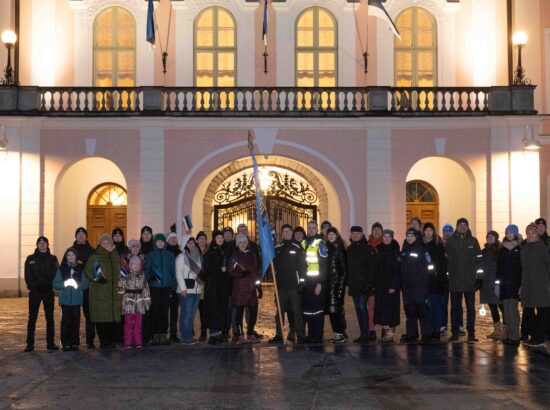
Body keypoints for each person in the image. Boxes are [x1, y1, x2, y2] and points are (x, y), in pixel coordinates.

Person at [446, 218, 483, 343]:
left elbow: (479, 260)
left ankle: (471, 333)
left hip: (469, 281)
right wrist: (447, 277)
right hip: (455, 281)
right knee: (455, 308)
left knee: (471, 308)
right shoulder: (450, 241)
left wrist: (479, 277)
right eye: (460, 225)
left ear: (467, 227)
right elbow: (446, 261)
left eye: (464, 225)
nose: (462, 227)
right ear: (456, 227)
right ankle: (455, 332)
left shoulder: (473, 241)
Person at [269, 224, 307, 344]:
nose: (286, 233)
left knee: (296, 311)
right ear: (282, 233)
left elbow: (302, 267)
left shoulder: (297, 248)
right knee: (279, 312)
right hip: (281, 285)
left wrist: (302, 281)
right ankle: (279, 335)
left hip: (294, 286)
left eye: (288, 231)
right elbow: (272, 262)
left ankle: (300, 335)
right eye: (284, 231)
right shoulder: (278, 248)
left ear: (291, 233)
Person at [84, 235, 122, 349]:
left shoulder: (115, 256)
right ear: (100, 244)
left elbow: (121, 270)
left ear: (112, 244)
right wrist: (98, 279)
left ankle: (110, 341)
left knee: (111, 318)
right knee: (102, 319)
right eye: (104, 242)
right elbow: (88, 271)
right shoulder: (95, 257)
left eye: (108, 242)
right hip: (100, 293)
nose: (106, 244)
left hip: (113, 293)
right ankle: (104, 341)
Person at [24, 236, 59, 353]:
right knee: (32, 318)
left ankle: (50, 343)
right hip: (35, 292)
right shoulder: (30, 258)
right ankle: (30, 344)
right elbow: (28, 275)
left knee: (50, 319)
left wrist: (48, 286)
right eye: (40, 242)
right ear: (37, 245)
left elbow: (55, 274)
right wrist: (34, 286)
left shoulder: (53, 259)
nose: (42, 244)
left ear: (48, 245)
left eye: (45, 242)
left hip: (48, 292)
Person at [53, 248, 89, 351]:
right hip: (65, 300)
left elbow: (85, 284)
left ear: (76, 256)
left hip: (77, 301)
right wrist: (65, 284)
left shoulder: (81, 268)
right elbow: (55, 283)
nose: (71, 257)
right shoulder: (62, 269)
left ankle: (74, 342)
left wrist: (76, 285)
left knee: (75, 322)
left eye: (72, 255)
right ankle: (65, 342)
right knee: (65, 322)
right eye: (68, 255)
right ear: (66, 257)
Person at [521, 223, 550, 348]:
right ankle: (534, 336)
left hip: (541, 285)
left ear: (537, 234)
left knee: (543, 311)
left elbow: (548, 265)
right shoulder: (524, 249)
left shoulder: (543, 248)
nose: (530, 236)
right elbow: (523, 268)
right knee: (529, 311)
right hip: (528, 285)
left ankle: (539, 338)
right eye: (528, 233)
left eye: (533, 233)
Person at [400, 229, 431, 344]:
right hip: (407, 286)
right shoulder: (404, 250)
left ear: (416, 237)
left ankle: (426, 335)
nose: (409, 238)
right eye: (407, 235)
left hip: (419, 285)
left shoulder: (422, 249)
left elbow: (429, 266)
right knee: (410, 311)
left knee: (422, 310)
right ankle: (411, 334)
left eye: (411, 236)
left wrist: (423, 279)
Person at [229, 234, 261, 344]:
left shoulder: (252, 255)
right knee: (239, 313)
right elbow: (231, 271)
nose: (242, 244)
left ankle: (250, 334)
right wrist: (241, 274)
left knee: (253, 312)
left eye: (244, 242)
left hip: (251, 289)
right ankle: (240, 335)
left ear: (247, 243)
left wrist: (258, 286)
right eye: (240, 242)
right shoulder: (235, 256)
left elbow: (256, 271)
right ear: (238, 244)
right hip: (239, 289)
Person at [347, 226, 377, 344]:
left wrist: (369, 284)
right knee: (359, 310)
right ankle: (363, 333)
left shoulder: (368, 249)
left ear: (362, 234)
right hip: (354, 285)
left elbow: (372, 268)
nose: (355, 235)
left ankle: (366, 334)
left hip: (364, 286)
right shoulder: (349, 249)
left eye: (357, 233)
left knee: (362, 308)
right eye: (353, 233)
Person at [145, 233, 176, 346]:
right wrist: (153, 279)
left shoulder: (170, 255)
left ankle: (163, 334)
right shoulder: (150, 255)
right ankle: (154, 334)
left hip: (166, 287)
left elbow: (173, 272)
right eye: (158, 241)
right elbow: (147, 271)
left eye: (162, 241)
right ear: (155, 242)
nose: (160, 243)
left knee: (164, 310)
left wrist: (173, 285)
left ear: (165, 242)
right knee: (155, 311)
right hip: (154, 287)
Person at [301, 220, 328, 343]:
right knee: (308, 309)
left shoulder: (320, 243)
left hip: (316, 281)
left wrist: (320, 283)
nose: (311, 230)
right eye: (309, 228)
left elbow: (324, 265)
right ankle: (311, 333)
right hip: (306, 282)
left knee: (317, 310)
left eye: (313, 228)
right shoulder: (304, 243)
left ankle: (317, 335)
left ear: (317, 230)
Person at [495, 224, 522, 346]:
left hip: (515, 284)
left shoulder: (520, 248)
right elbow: (499, 269)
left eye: (511, 232)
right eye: (507, 232)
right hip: (504, 285)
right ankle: (509, 335)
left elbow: (522, 268)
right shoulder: (502, 249)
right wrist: (497, 284)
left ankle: (515, 336)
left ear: (515, 234)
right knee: (506, 310)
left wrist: (522, 285)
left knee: (513, 311)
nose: (509, 234)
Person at [237, 223, 263, 340]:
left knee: (252, 309)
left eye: (244, 230)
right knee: (238, 310)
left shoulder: (253, 247)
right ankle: (238, 332)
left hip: (251, 285)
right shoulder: (235, 248)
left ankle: (250, 331)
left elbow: (257, 266)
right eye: (240, 230)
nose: (243, 232)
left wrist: (258, 285)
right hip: (239, 286)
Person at [203, 231, 230, 345]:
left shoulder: (225, 251)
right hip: (213, 287)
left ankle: (220, 333)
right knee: (213, 309)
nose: (220, 239)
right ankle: (213, 335)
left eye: (221, 237)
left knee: (222, 310)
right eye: (218, 237)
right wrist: (220, 269)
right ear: (214, 239)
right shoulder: (210, 253)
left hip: (223, 287)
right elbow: (206, 269)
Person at [176, 235, 204, 345]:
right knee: (186, 314)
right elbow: (178, 273)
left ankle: (189, 336)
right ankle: (185, 338)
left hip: (196, 290)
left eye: (192, 242)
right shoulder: (181, 257)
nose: (191, 244)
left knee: (192, 315)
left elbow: (200, 273)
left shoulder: (198, 255)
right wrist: (182, 288)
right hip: (186, 290)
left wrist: (200, 287)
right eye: (188, 242)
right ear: (184, 244)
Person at [118, 255, 151, 348]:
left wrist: (147, 302)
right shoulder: (125, 276)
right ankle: (128, 342)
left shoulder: (143, 277)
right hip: (128, 302)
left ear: (140, 265)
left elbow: (146, 290)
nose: (135, 266)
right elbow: (120, 291)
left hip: (140, 303)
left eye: (137, 264)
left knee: (138, 324)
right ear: (130, 265)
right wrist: (120, 286)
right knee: (128, 324)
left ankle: (138, 342)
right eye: (133, 264)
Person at [374, 230, 401, 343]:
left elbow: (397, 270)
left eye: (388, 236)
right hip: (381, 285)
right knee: (382, 310)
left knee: (391, 310)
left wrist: (394, 285)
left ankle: (389, 334)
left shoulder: (395, 250)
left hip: (391, 286)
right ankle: (385, 333)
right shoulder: (379, 249)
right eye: (384, 236)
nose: (386, 238)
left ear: (392, 238)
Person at [71, 227, 96, 349]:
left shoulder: (92, 251)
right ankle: (74, 340)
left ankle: (90, 341)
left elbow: (96, 268)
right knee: (74, 314)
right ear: (75, 236)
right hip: (74, 288)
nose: (81, 236)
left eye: (83, 234)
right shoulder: (71, 251)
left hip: (89, 287)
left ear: (86, 236)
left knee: (89, 314)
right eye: (78, 234)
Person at [423, 223, 448, 341]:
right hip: (423, 281)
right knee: (427, 308)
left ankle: (436, 330)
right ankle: (428, 330)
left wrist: (440, 279)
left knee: (435, 307)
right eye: (426, 230)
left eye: (430, 230)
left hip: (436, 281)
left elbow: (442, 264)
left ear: (433, 232)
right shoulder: (421, 244)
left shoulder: (438, 245)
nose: (428, 232)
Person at [325, 227, 348, 344]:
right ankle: (339, 333)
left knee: (335, 310)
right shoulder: (326, 248)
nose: (331, 236)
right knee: (332, 310)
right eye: (329, 234)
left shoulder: (339, 249)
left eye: (333, 234)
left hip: (336, 286)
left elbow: (344, 271)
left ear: (337, 235)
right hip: (328, 286)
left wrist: (340, 290)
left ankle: (340, 334)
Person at [480, 231, 504, 340]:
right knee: (493, 308)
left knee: (502, 307)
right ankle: (497, 330)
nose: (489, 238)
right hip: (486, 284)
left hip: (495, 283)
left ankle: (505, 330)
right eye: (488, 236)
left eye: (492, 237)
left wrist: (498, 282)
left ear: (496, 238)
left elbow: (501, 269)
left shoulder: (499, 251)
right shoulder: (483, 251)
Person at [366, 222, 384, 341]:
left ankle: (384, 328)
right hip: (371, 281)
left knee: (382, 306)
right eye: (374, 229)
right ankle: (371, 330)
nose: (376, 231)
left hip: (382, 282)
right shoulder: (367, 245)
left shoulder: (385, 244)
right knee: (371, 307)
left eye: (378, 229)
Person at [166, 231, 181, 343]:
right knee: (165, 311)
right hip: (167, 286)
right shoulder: (165, 252)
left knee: (175, 311)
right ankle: (164, 332)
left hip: (177, 287)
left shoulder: (180, 252)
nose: (173, 240)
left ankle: (173, 333)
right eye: (171, 239)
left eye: (175, 239)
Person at [196, 231, 209, 341]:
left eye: (204, 238)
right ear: (197, 240)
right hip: (195, 284)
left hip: (207, 285)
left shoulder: (209, 251)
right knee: (191, 310)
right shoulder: (193, 252)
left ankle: (204, 331)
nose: (202, 240)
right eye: (200, 239)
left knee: (204, 310)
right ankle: (189, 331)